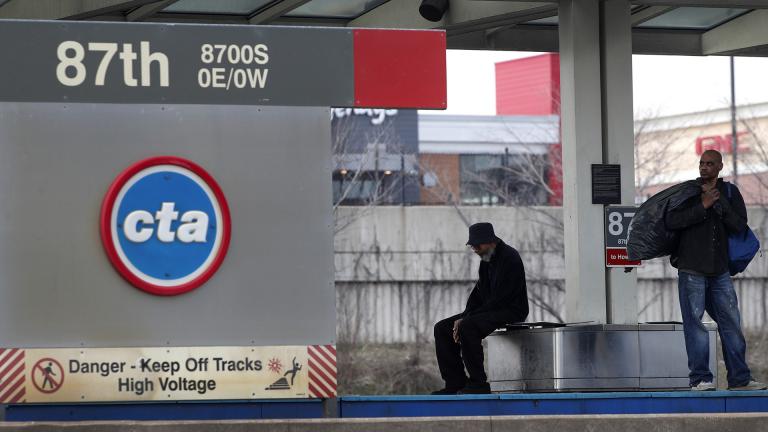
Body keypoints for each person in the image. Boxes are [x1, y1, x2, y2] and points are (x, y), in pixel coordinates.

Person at [666, 149, 766, 391]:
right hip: (691, 268)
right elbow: (672, 221)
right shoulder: (688, 192)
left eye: (710, 163)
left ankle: (740, 379)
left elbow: (739, 226)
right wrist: (703, 205)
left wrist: (718, 203)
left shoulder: (730, 192)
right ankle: (700, 378)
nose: (704, 167)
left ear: (720, 166)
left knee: (731, 322)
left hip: (720, 270)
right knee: (695, 324)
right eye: (702, 163)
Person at [431, 222, 528, 395]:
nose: (475, 249)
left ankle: (478, 383)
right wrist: (465, 315)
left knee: (468, 327)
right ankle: (455, 382)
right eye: (473, 246)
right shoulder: (487, 259)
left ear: (492, 242)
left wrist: (467, 319)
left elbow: (501, 298)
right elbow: (478, 293)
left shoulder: (510, 258)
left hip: (511, 310)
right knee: (442, 328)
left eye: (478, 245)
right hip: (489, 308)